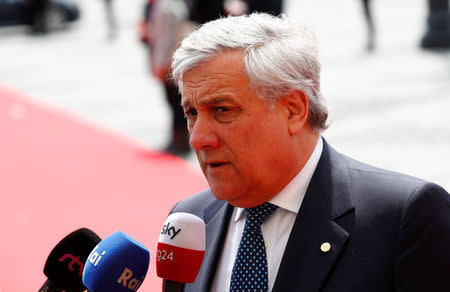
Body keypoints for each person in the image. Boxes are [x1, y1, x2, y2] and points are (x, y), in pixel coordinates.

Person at [166, 13, 450, 291]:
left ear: (293, 110)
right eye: (191, 112)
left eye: (222, 110)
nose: (198, 138)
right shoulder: (190, 221)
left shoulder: (403, 218)